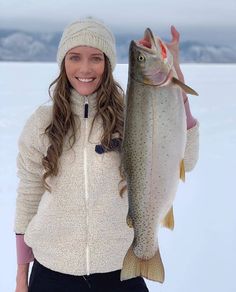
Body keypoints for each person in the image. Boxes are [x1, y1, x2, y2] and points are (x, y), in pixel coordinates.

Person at [14, 17, 199, 292]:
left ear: (108, 63)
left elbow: (186, 159)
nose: (85, 68)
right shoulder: (42, 122)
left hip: (120, 269)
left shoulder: (132, 114)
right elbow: (28, 195)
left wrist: (177, 93)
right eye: (75, 57)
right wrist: (21, 276)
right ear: (63, 62)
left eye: (96, 58)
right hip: (50, 272)